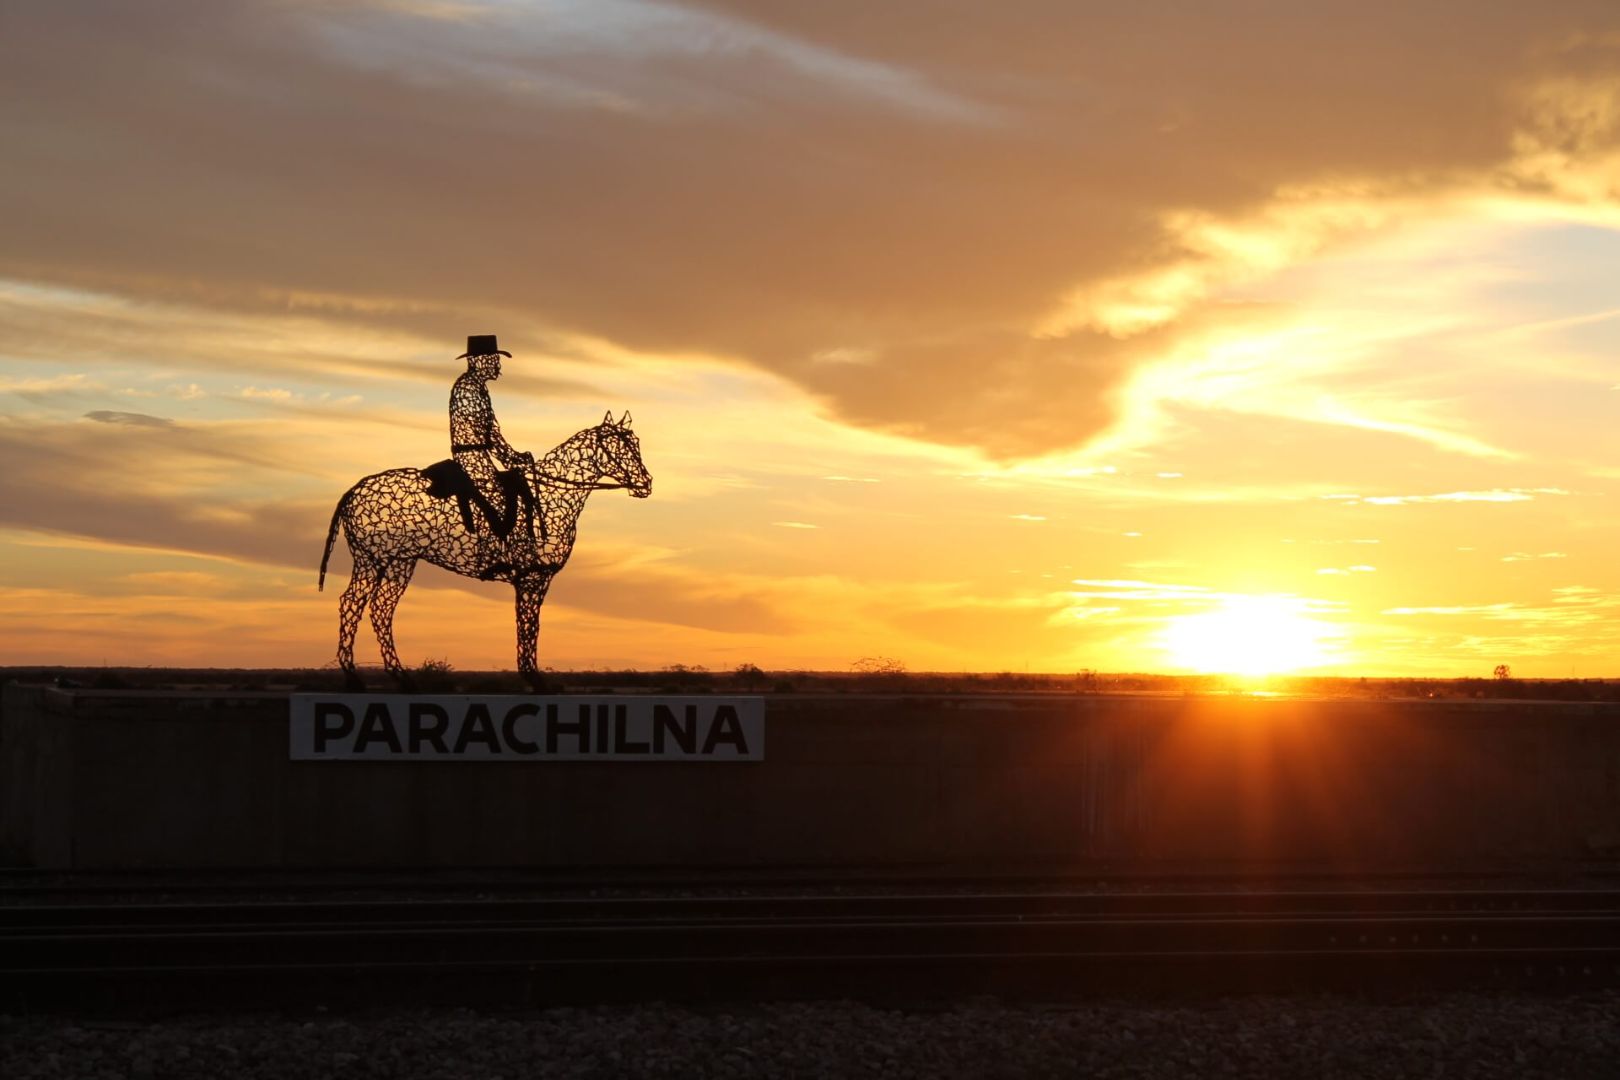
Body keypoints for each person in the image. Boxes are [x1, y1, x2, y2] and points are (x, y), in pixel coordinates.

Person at [449, 334, 533, 576]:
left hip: (480, 453)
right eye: (494, 360)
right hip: (471, 456)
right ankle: (488, 557)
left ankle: (508, 552)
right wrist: (510, 458)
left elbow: (493, 431)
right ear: (480, 360)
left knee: (510, 487)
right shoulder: (468, 388)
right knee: (495, 496)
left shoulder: (478, 387)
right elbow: (487, 434)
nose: (497, 365)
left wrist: (513, 457)